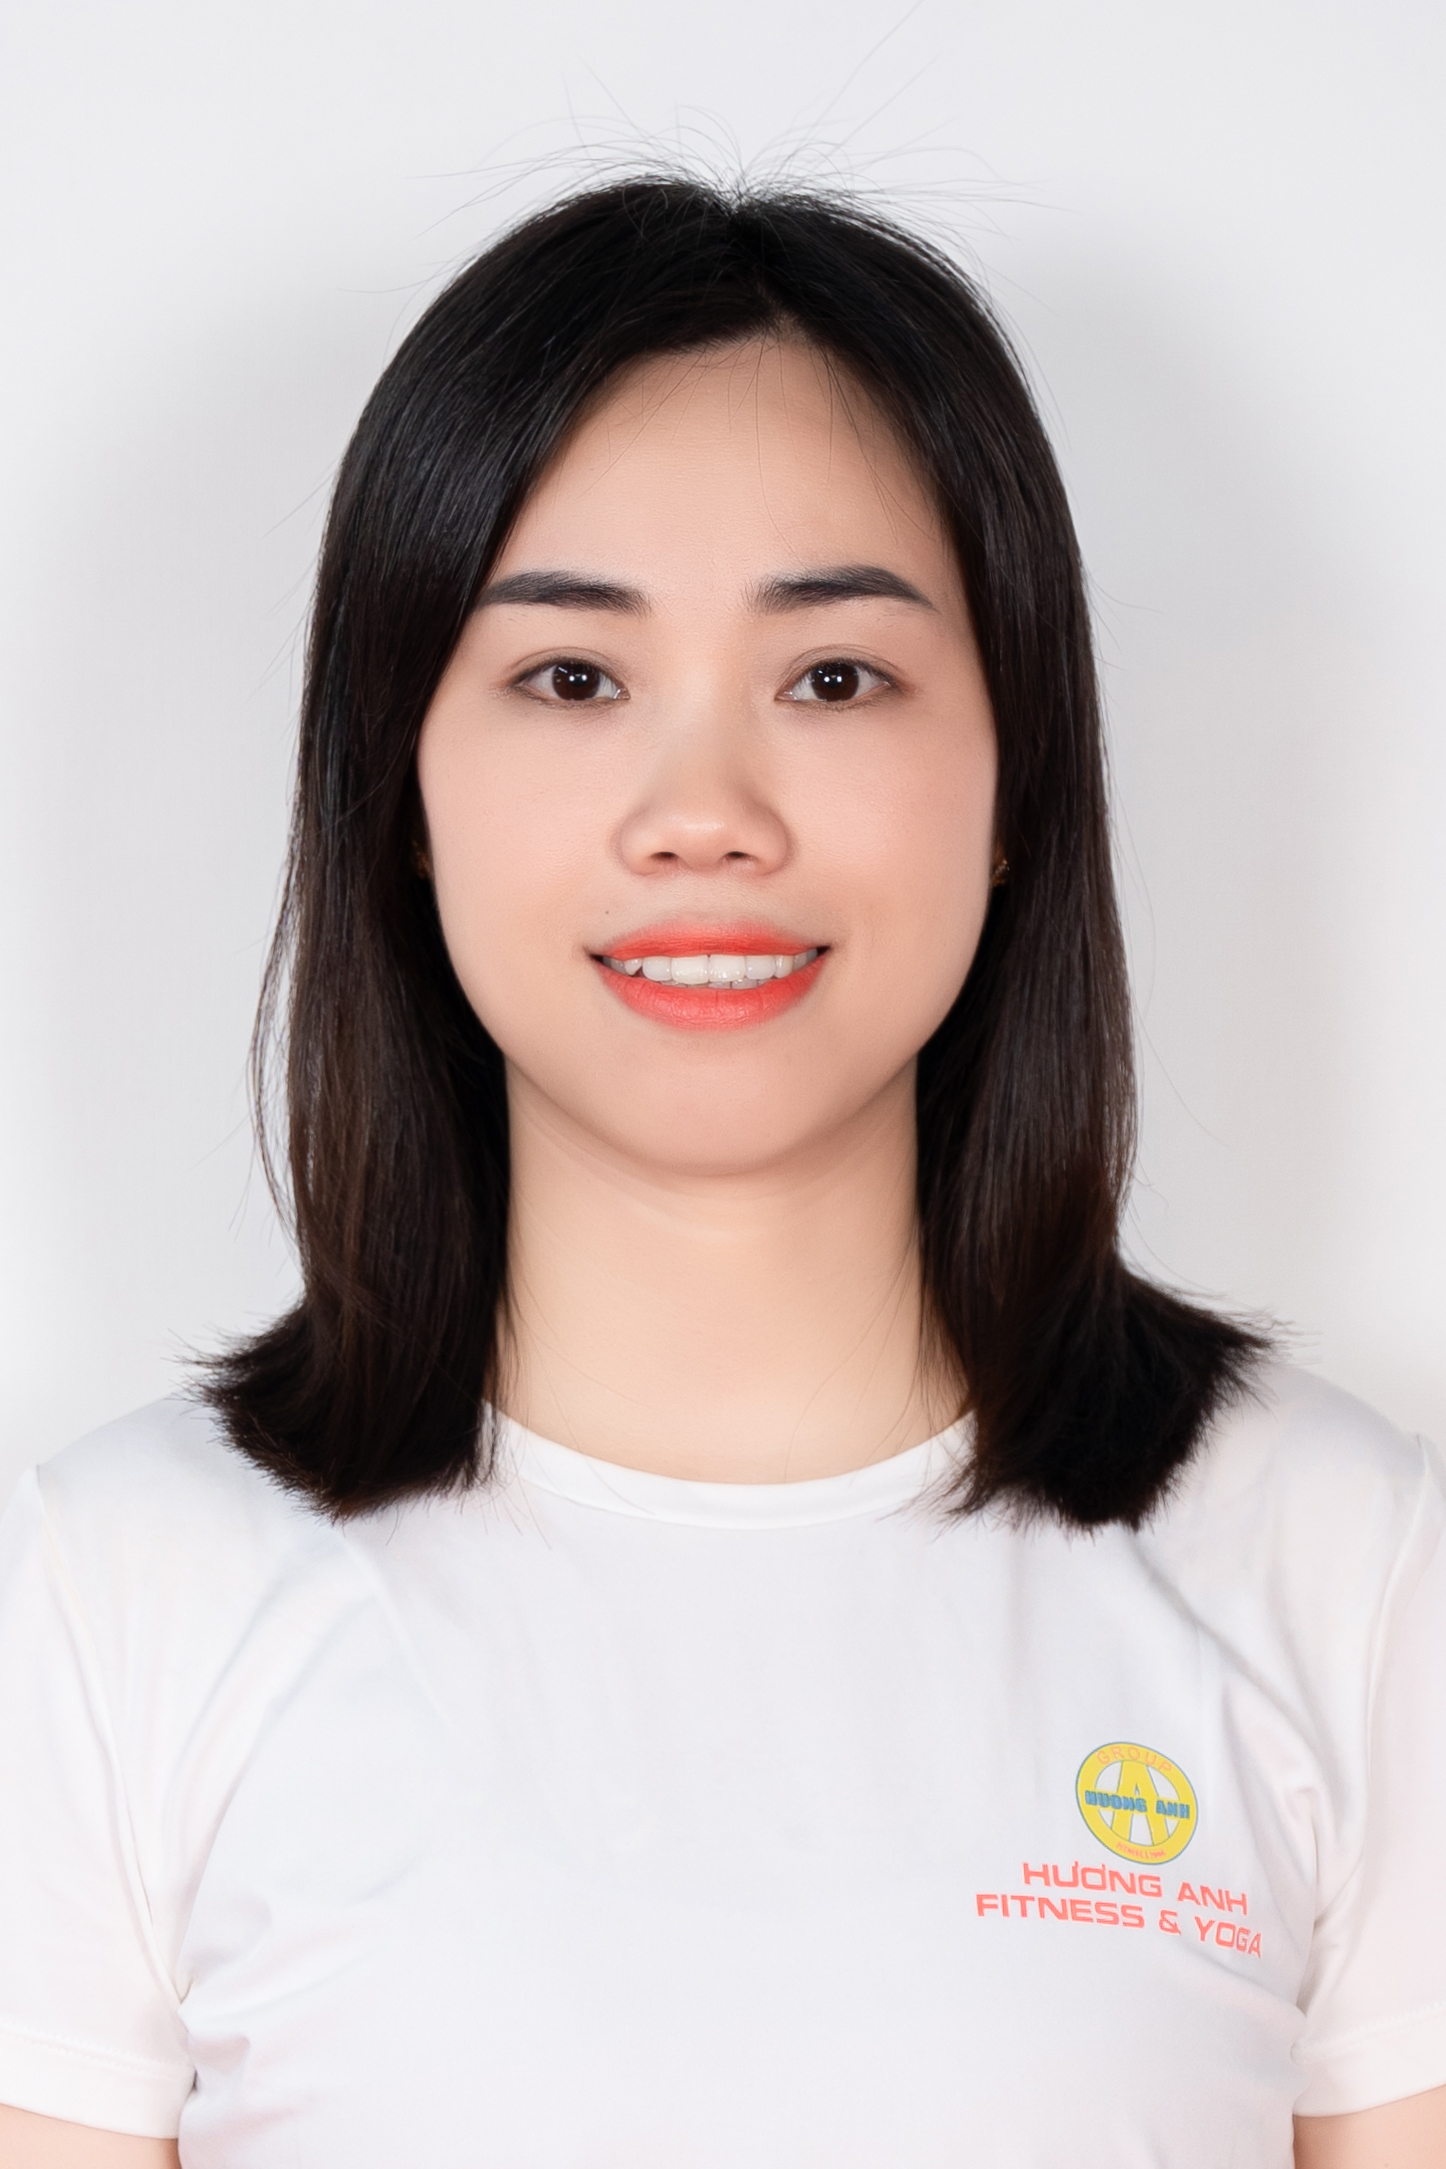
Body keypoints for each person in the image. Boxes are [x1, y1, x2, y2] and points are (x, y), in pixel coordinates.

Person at [0, 176, 1442, 2169]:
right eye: (572, 678)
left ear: (1015, 775)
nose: (705, 815)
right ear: (399, 787)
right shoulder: (114, 1593)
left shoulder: (1341, 1561)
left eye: (833, 676)